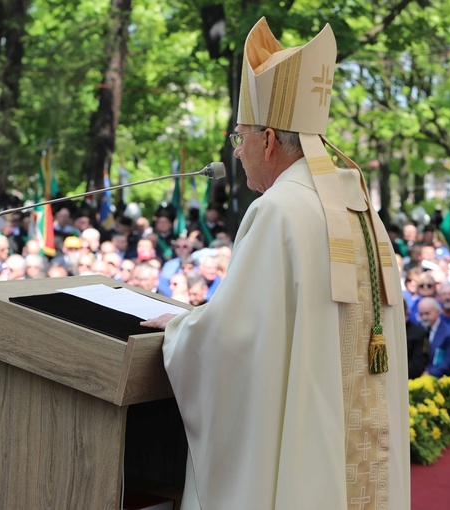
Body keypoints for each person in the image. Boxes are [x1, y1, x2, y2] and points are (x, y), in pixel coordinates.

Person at [141, 18, 409, 509]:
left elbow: (232, 341)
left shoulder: (279, 210)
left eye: (239, 137)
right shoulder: (359, 205)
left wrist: (182, 329)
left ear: (267, 139)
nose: (237, 151)